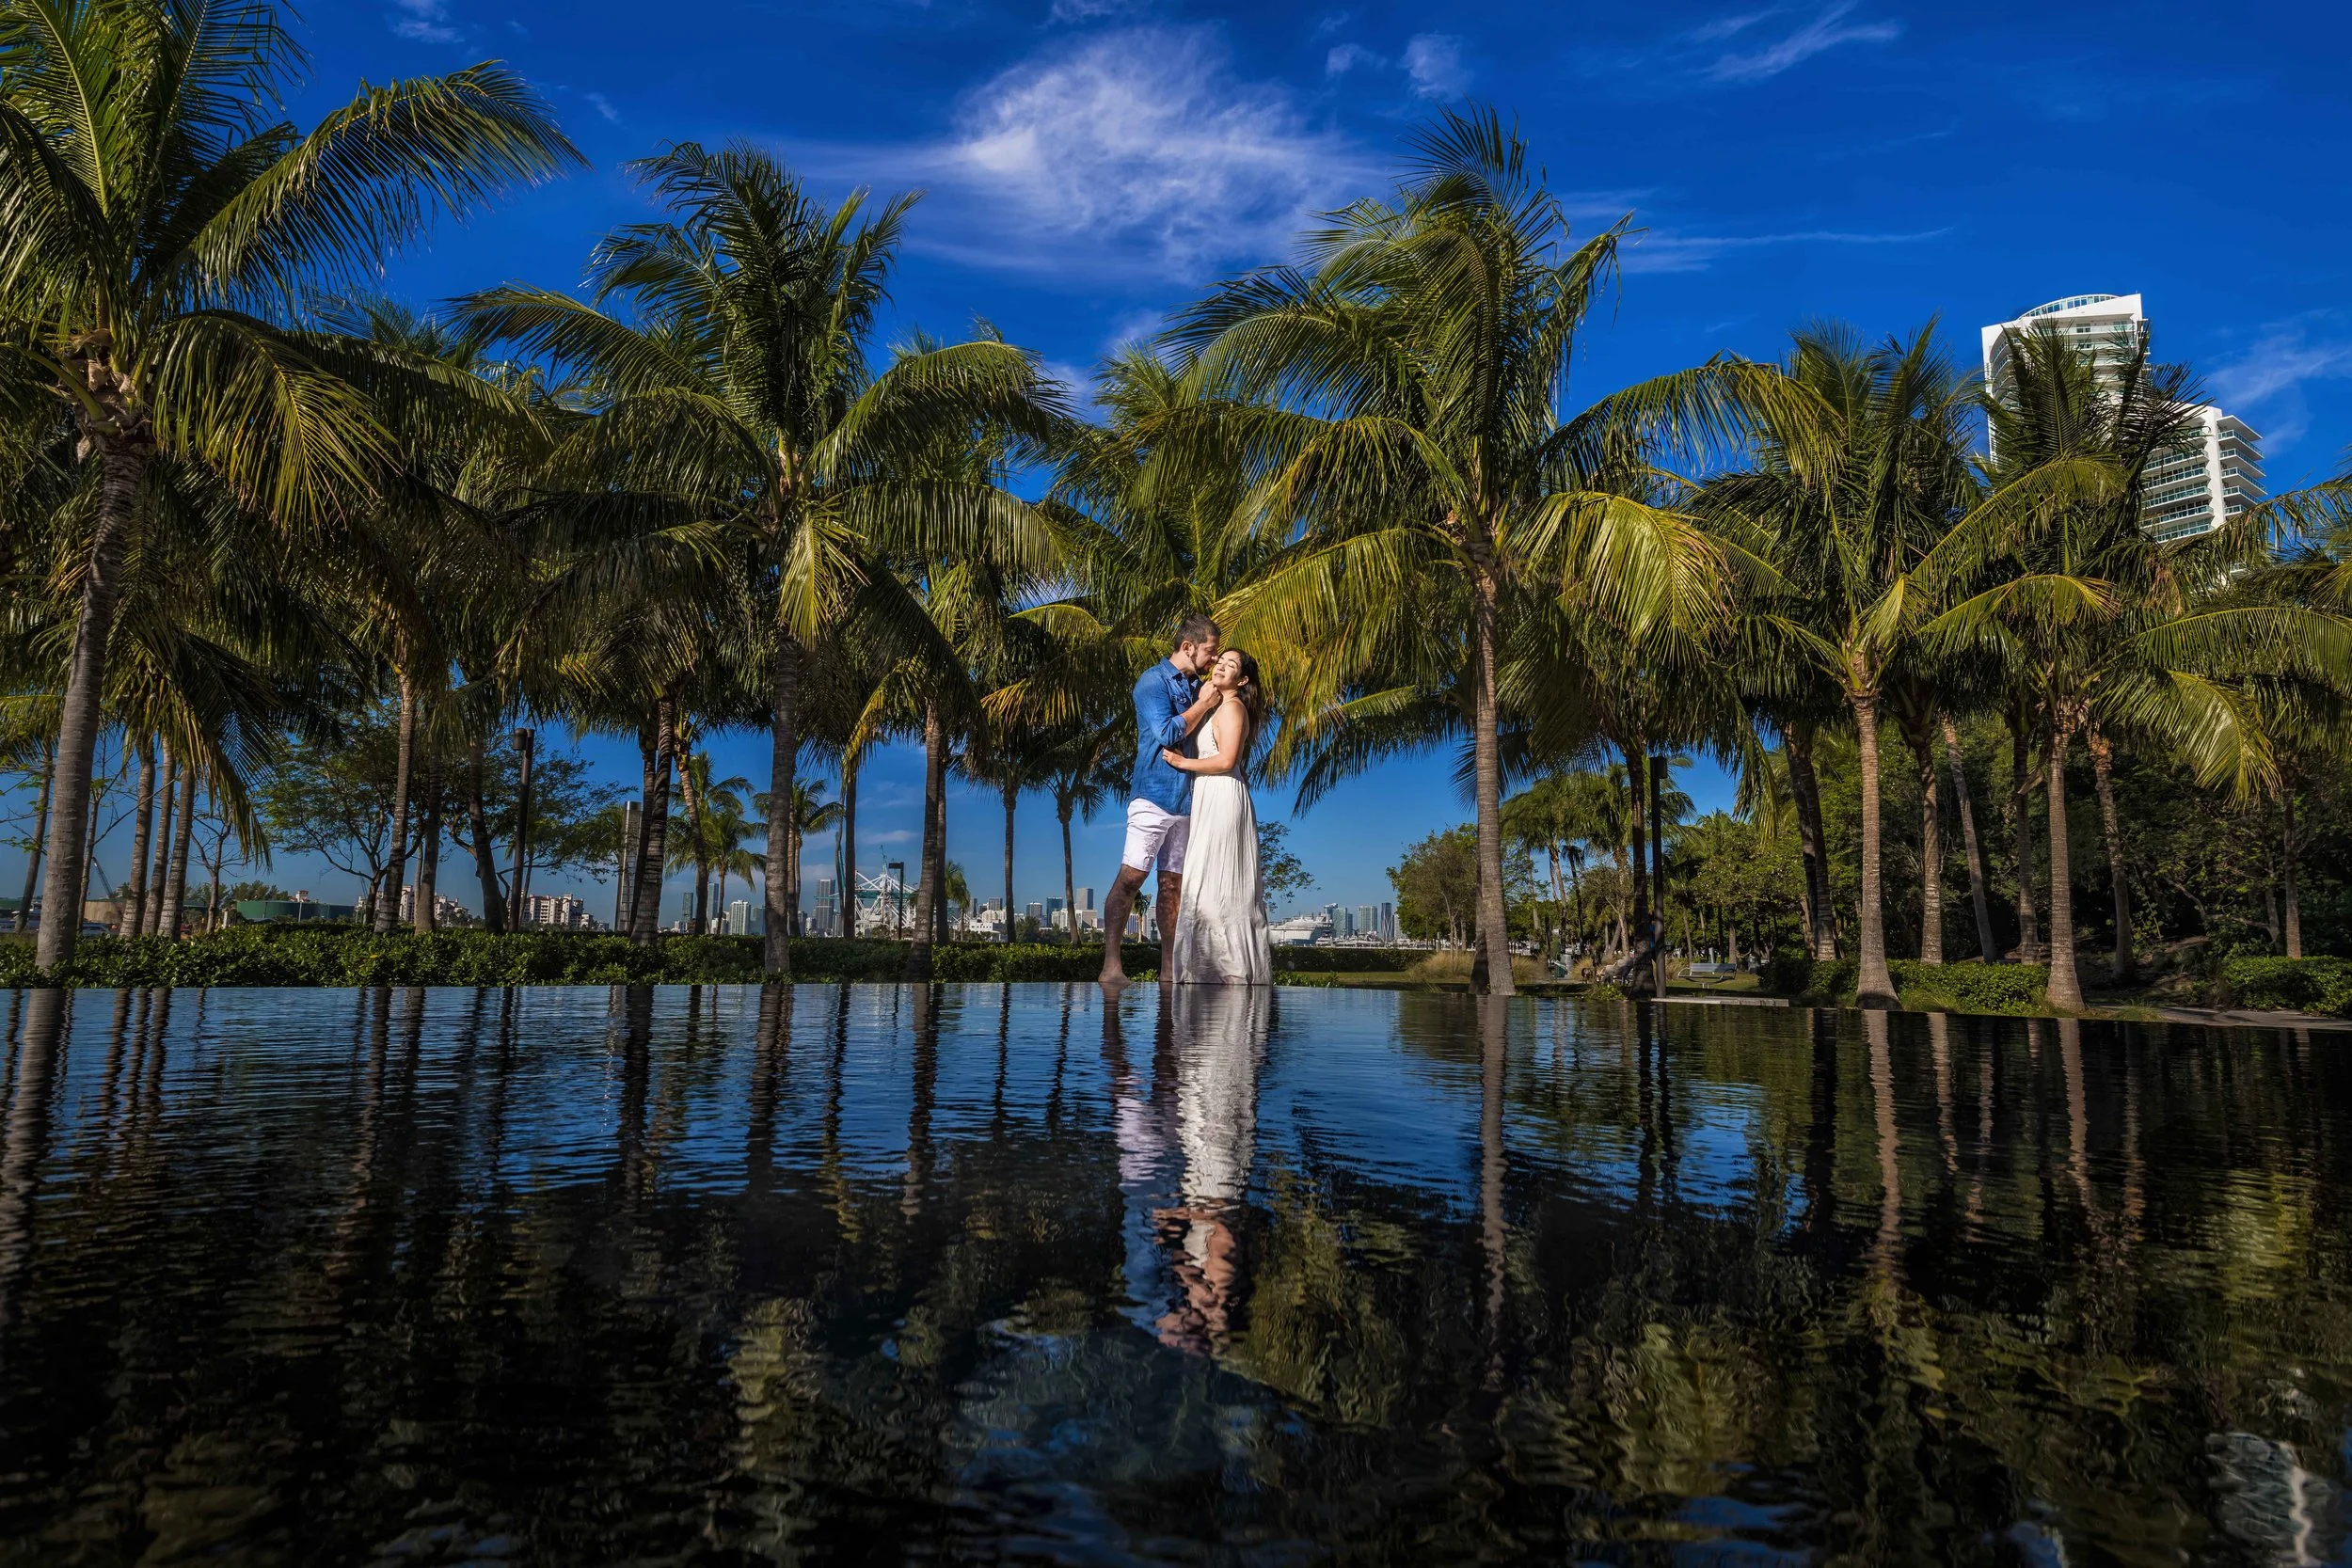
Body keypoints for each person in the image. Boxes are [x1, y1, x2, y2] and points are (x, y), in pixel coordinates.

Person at [1099, 614, 1221, 985]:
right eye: (1209, 652)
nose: (1213, 660)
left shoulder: (1199, 684)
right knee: (1132, 877)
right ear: (1188, 647)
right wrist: (1203, 704)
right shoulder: (1152, 681)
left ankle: (1169, 968)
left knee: (1172, 886)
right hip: (1152, 794)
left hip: (1188, 800)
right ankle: (1111, 966)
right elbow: (1167, 732)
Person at [1162, 648, 1273, 986]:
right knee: (1208, 880)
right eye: (1220, 660)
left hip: (1223, 795)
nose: (1222, 665)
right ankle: (1210, 972)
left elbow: (1227, 760)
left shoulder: (1234, 707)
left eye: (1232, 665)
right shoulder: (1218, 707)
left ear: (1242, 680)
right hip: (1210, 796)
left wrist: (1184, 763)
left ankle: (1231, 973)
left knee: (1222, 883)